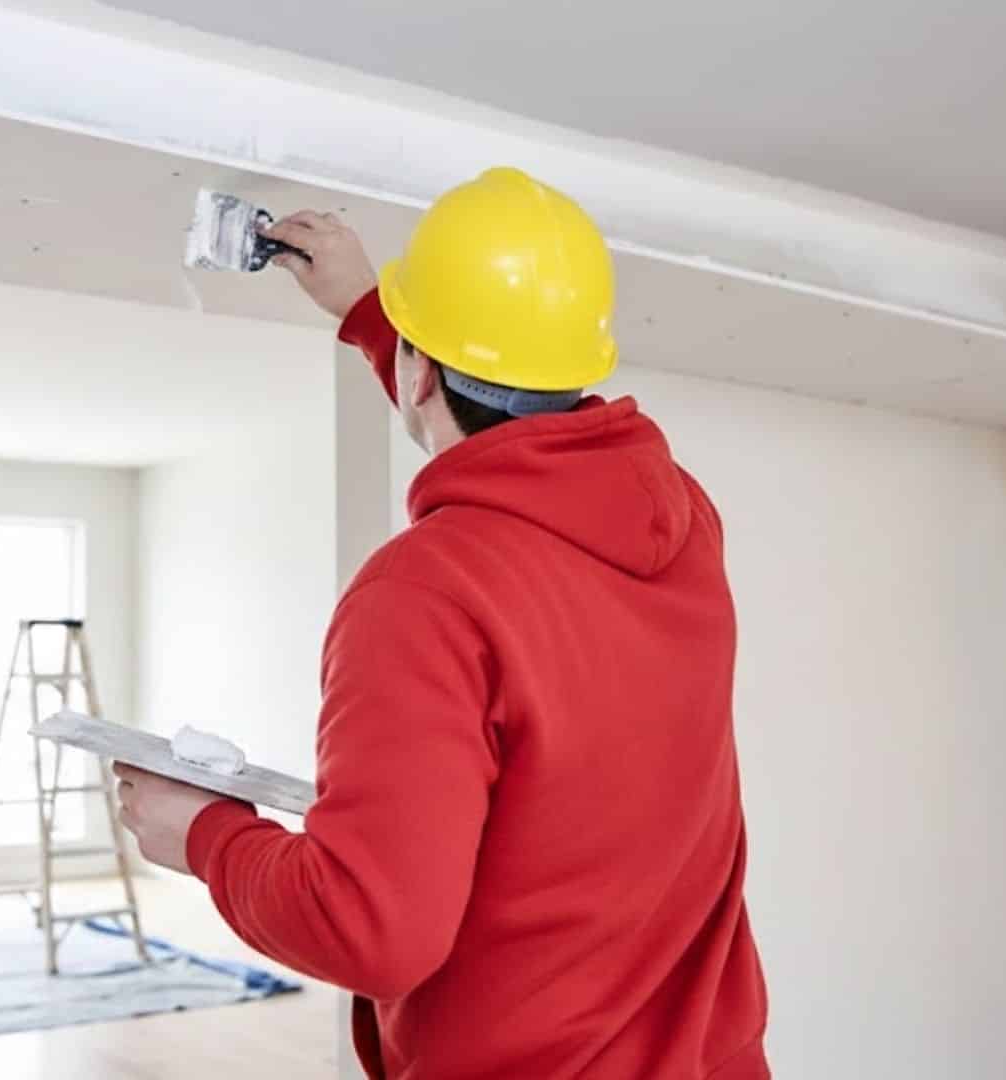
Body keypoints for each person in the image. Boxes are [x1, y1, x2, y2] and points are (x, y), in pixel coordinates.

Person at [115, 166, 769, 1079]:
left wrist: (201, 833)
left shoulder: (425, 591)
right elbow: (517, 442)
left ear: (421, 372)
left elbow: (369, 929)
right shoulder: (684, 522)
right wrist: (374, 315)